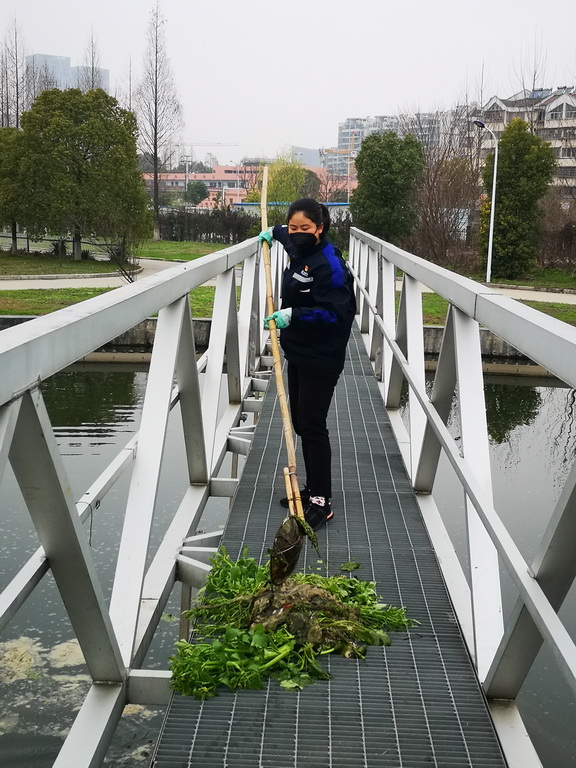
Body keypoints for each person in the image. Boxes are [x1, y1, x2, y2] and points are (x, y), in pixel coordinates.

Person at [259, 198, 356, 531]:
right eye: (293, 227)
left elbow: (336, 314)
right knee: (300, 421)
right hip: (298, 349)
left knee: (312, 424)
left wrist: (293, 315)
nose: (297, 233)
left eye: (305, 228)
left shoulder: (329, 265)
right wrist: (272, 232)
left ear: (320, 228)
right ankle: (312, 487)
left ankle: (321, 500)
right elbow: (286, 235)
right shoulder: (298, 244)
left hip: (322, 354)